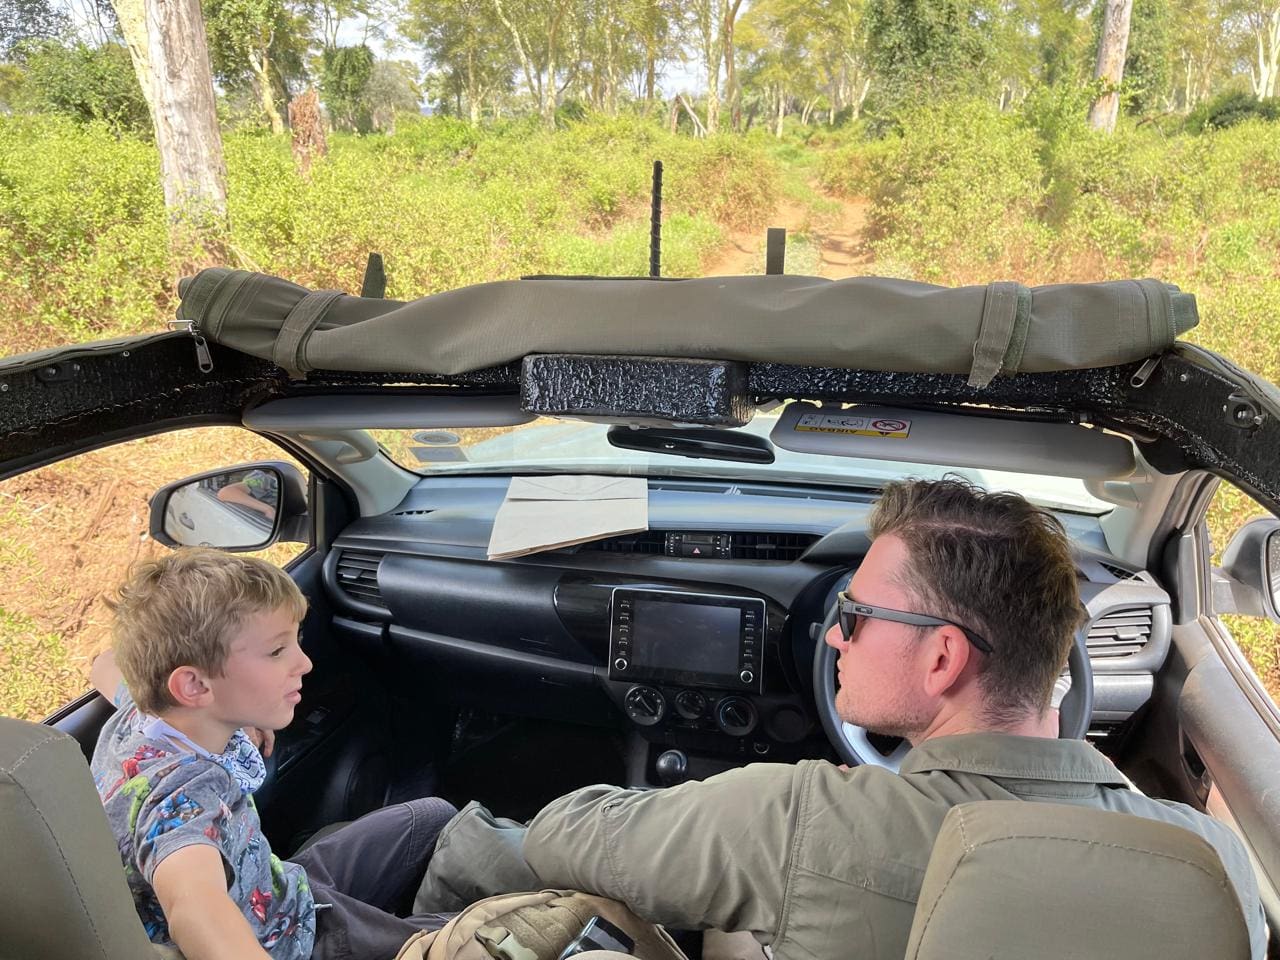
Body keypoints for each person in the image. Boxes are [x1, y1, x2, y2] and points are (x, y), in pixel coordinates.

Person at [509, 478, 1266, 960]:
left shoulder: (797, 819)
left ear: (942, 659)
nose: (836, 637)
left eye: (855, 614)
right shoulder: (1213, 861)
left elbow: (562, 837)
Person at [89, 547, 457, 960]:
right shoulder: (182, 798)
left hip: (280, 887)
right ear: (193, 687)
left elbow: (104, 663)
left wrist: (232, 715)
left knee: (434, 816)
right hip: (294, 943)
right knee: (479, 939)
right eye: (277, 651)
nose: (305, 663)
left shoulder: (140, 714)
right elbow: (194, 907)